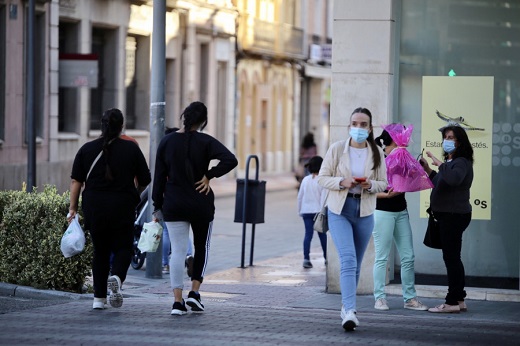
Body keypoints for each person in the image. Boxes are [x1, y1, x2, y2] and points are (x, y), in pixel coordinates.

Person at [152, 101, 238, 316]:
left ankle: (177, 302)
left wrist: (156, 205)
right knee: (201, 247)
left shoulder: (167, 141)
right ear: (202, 121)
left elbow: (159, 177)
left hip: (173, 204)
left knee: (177, 252)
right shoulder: (206, 141)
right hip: (201, 202)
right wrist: (209, 175)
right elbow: (231, 159)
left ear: (184, 117)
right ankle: (195, 293)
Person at [68, 108, 151, 310]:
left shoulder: (86, 149)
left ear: (101, 125)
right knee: (123, 247)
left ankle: (98, 299)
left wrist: (72, 209)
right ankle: (117, 279)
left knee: (100, 250)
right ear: (121, 126)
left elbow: (76, 181)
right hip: (122, 205)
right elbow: (146, 179)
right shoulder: (131, 149)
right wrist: (133, 192)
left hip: (95, 206)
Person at [317, 107, 387, 331]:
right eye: (354, 124)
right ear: (349, 126)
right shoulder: (337, 148)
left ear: (370, 127)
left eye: (363, 124)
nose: (358, 128)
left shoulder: (376, 152)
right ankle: (350, 311)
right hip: (340, 209)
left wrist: (370, 185)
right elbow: (322, 177)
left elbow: (383, 184)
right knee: (347, 259)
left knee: (355, 263)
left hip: (365, 210)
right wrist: (341, 182)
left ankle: (346, 306)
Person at [372, 128, 428, 311]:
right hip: (383, 212)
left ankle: (410, 299)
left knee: (408, 257)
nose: (405, 140)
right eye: (402, 138)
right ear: (394, 140)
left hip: (401, 211)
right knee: (382, 257)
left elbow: (408, 182)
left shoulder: (403, 157)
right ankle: (379, 298)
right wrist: (386, 196)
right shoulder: (378, 159)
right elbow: (366, 190)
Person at [420, 125, 474, 313]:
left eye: (451, 137)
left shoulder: (461, 162)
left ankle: (451, 302)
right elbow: (440, 180)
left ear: (460, 141)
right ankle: (459, 299)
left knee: (451, 258)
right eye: (445, 137)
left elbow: (454, 179)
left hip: (454, 216)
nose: (447, 140)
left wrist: (438, 162)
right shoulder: (451, 162)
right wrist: (428, 169)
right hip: (448, 215)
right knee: (453, 258)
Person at [160, 126, 194, 276]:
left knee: (167, 232)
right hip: (187, 199)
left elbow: (159, 181)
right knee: (185, 233)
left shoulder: (166, 155)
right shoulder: (185, 155)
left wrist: (156, 204)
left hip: (170, 199)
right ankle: (189, 255)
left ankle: (165, 264)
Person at [297, 156, 327, 269]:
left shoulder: (305, 180)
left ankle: (306, 259)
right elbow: (323, 199)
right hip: (318, 212)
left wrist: (299, 211)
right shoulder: (322, 181)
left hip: (306, 212)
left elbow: (300, 197)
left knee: (308, 235)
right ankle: (326, 258)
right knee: (322, 236)